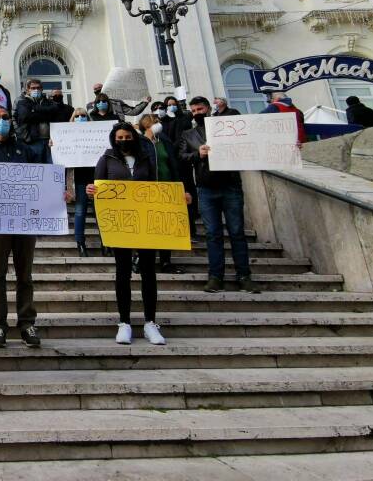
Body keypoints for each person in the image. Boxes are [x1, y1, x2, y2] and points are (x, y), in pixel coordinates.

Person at [0, 105, 57, 349]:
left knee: (25, 275)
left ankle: (27, 324)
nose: (2, 121)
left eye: (5, 117)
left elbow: (43, 177)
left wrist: (59, 193)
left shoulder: (24, 150)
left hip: (24, 221)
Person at [86, 122, 169, 346]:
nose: (124, 140)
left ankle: (150, 323)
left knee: (148, 272)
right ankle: (124, 323)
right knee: (123, 272)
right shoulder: (106, 159)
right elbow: (98, 188)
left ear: (134, 137)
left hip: (145, 221)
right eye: (119, 137)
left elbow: (157, 187)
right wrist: (91, 191)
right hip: (120, 224)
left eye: (127, 136)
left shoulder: (146, 159)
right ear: (114, 139)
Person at [178, 97, 259, 294]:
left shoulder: (225, 126)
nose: (197, 112)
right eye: (194, 110)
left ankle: (244, 276)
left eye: (200, 108)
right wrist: (198, 154)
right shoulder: (188, 134)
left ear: (208, 108)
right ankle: (215, 276)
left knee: (237, 232)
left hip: (230, 185)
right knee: (212, 234)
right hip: (206, 189)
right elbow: (182, 156)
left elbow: (250, 140)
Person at [138, 113, 190, 274]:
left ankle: (166, 261)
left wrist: (182, 188)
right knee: (149, 227)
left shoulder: (164, 141)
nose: (159, 124)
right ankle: (144, 259)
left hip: (168, 189)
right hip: (149, 191)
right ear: (147, 125)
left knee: (166, 226)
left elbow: (173, 164)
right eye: (156, 122)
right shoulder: (140, 143)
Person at [67, 108, 93, 257]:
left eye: (83, 116)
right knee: (80, 212)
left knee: (101, 213)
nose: (80, 118)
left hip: (97, 178)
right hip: (80, 179)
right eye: (77, 116)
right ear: (73, 118)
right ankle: (80, 243)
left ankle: (106, 244)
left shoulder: (98, 135)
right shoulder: (67, 136)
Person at [15, 78, 59, 160]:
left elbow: (54, 114)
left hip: (50, 141)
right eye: (33, 88)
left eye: (38, 88)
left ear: (42, 89)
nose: (36, 90)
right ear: (28, 90)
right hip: (33, 140)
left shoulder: (49, 102)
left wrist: (34, 110)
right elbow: (25, 117)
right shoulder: (22, 102)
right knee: (38, 167)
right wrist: (45, 112)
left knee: (51, 167)